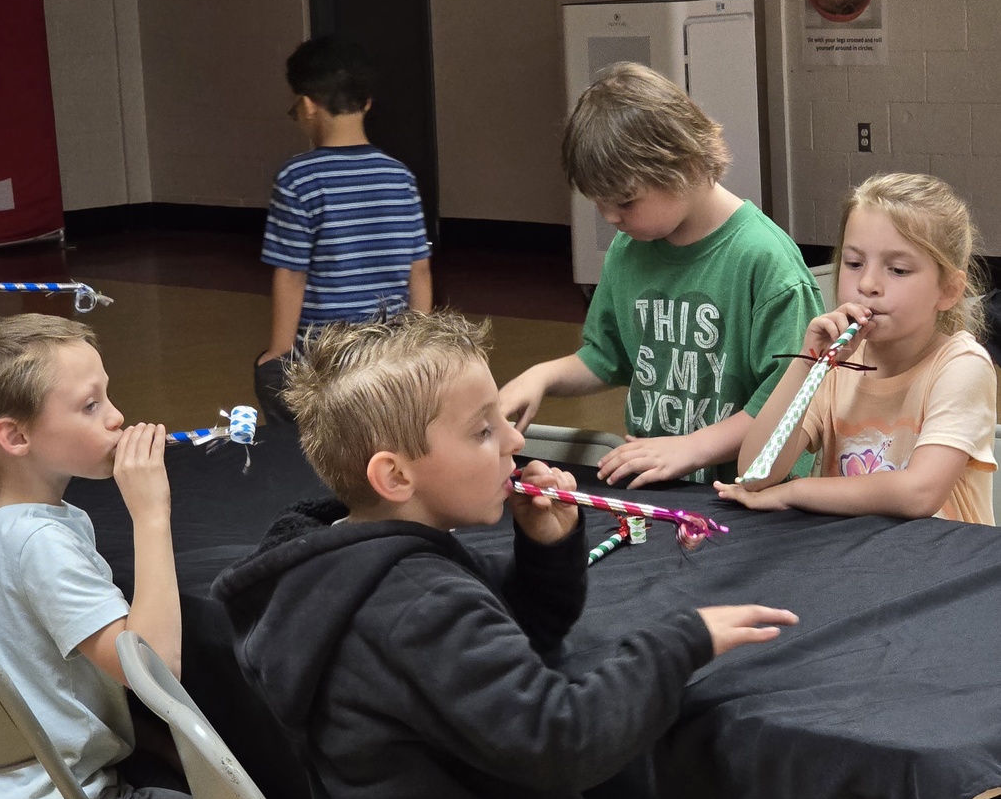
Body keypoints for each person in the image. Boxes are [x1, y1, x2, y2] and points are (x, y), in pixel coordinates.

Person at [212, 309, 799, 799]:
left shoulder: (343, 561)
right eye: (483, 431)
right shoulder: (417, 602)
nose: (516, 444)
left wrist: (545, 549)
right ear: (397, 475)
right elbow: (562, 737)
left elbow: (513, 644)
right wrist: (681, 641)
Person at [0, 314, 320, 799]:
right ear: (14, 435)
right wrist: (151, 513)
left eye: (108, 395)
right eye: (90, 406)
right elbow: (156, 671)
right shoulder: (39, 544)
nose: (117, 417)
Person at [499, 62, 824, 488]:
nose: (611, 217)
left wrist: (691, 447)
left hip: (752, 496)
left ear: (685, 164)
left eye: (626, 201)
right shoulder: (628, 249)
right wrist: (540, 377)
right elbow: (604, 358)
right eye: (599, 203)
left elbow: (792, 406)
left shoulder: (766, 263)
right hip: (662, 487)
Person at [714, 173, 997, 524]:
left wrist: (795, 492)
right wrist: (807, 364)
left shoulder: (961, 365)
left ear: (949, 291)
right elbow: (756, 472)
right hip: (854, 559)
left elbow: (919, 493)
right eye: (853, 263)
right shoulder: (836, 365)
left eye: (897, 269)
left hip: (941, 564)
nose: (867, 284)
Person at [254, 34, 433, 423]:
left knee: (269, 373)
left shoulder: (297, 179)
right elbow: (418, 270)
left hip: (325, 363)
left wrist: (278, 353)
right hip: (388, 358)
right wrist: (418, 349)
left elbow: (292, 274)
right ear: (367, 102)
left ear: (306, 105)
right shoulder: (399, 177)